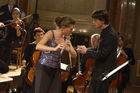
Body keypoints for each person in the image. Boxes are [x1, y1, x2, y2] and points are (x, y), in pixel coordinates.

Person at [77, 10, 118, 93]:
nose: (93, 22)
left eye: (95, 20)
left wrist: (86, 52)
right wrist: (86, 49)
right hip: (99, 71)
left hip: (104, 72)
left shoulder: (110, 34)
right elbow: (99, 49)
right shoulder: (105, 31)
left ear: (102, 21)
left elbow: (103, 54)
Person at [34, 16, 77, 93]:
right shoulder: (51, 33)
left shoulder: (66, 39)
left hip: (56, 69)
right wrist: (54, 49)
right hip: (44, 68)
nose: (72, 31)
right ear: (63, 27)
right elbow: (38, 46)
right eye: (71, 29)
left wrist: (70, 49)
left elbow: (74, 55)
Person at [16, 27, 45, 93]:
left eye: (41, 35)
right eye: (38, 35)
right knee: (23, 73)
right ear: (34, 37)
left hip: (42, 68)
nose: (40, 37)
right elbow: (25, 58)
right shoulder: (30, 46)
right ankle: (19, 90)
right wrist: (23, 65)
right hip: (31, 67)